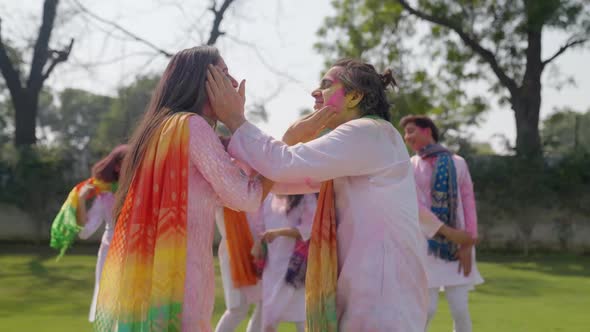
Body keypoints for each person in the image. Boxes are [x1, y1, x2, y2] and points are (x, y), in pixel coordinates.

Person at [207, 58, 429, 331]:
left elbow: (283, 165)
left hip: (382, 298)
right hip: (373, 292)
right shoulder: (366, 140)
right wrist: (288, 138)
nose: (315, 92)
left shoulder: (369, 132)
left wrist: (235, 119)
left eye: (326, 85)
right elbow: (279, 181)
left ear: (355, 96)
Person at [94, 46, 267, 332]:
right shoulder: (193, 127)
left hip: (147, 272)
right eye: (224, 74)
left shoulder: (156, 130)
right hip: (180, 275)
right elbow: (245, 197)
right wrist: (238, 121)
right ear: (202, 82)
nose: (234, 83)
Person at [400, 115, 484, 332]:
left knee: (460, 309)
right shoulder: (410, 166)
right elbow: (415, 206)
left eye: (411, 131)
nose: (406, 137)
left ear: (427, 131)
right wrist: (449, 233)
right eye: (406, 132)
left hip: (458, 248)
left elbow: (468, 202)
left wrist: (467, 243)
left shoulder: (458, 162)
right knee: (427, 310)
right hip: (426, 246)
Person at [251, 194, 316, 332]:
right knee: (268, 320)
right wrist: (258, 243)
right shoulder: (268, 198)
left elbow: (307, 230)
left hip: (295, 270)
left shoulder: (305, 197)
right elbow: (260, 227)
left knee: (302, 320)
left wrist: (278, 233)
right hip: (272, 269)